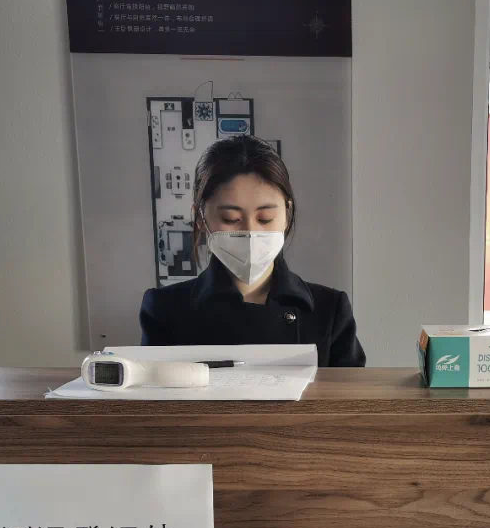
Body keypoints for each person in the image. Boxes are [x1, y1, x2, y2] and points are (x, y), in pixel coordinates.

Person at [139, 135, 365, 367]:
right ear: (200, 218)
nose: (250, 232)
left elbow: (353, 390)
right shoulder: (164, 309)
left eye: (265, 218)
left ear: (287, 214)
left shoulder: (329, 310)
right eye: (231, 219)